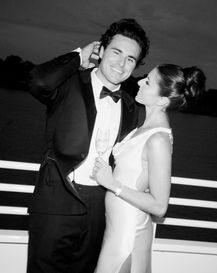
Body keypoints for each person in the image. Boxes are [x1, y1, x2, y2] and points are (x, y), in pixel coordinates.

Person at [26, 18, 150, 273]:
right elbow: (38, 82)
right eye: (116, 52)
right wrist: (76, 58)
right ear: (101, 50)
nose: (121, 63)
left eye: (130, 59)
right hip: (56, 202)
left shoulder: (134, 107)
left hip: (100, 210)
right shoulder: (68, 83)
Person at [92, 64, 206, 273]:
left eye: (148, 82)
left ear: (162, 100)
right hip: (117, 228)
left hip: (126, 233)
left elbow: (160, 206)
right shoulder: (144, 129)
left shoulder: (158, 140)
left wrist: (112, 184)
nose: (139, 82)